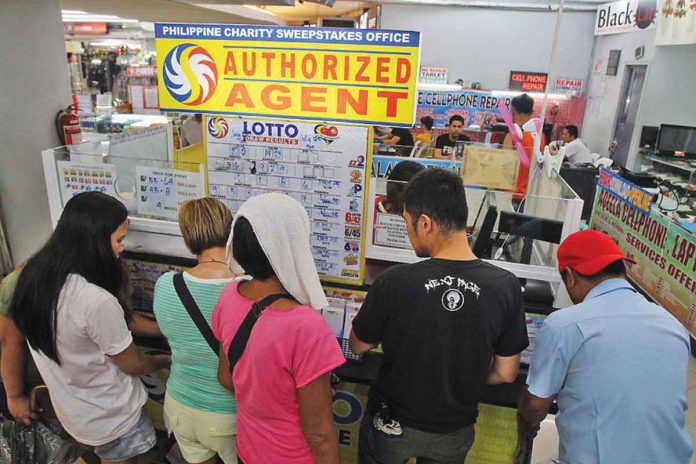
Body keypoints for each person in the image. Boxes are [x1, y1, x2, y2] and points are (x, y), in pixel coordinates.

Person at [350, 168, 529, 464]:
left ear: (424, 223)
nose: (408, 232)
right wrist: (462, 375)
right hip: (454, 430)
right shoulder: (505, 287)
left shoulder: (395, 282)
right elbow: (506, 373)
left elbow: (358, 345)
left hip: (391, 425)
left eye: (407, 223)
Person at [10, 192, 171, 464]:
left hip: (74, 412)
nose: (123, 248)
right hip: (114, 419)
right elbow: (132, 364)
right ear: (93, 241)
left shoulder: (32, 275)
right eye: (119, 240)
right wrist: (163, 360)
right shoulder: (95, 302)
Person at [518, 230, 693, 464]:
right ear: (622, 269)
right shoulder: (673, 326)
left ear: (570, 277)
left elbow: (535, 405)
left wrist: (526, 428)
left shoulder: (564, 325)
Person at [213, 193, 345, 464]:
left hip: (247, 451)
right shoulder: (306, 327)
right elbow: (319, 434)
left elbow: (226, 378)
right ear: (292, 246)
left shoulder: (228, 296)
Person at [153, 198, 237, 464]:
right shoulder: (246, 290)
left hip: (180, 406)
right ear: (231, 231)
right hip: (229, 413)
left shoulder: (166, 285)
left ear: (188, 242)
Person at [502, 94, 546, 197]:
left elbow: (504, 164)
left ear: (513, 111)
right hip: (531, 194)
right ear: (531, 113)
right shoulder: (540, 136)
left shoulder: (511, 135)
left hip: (511, 192)